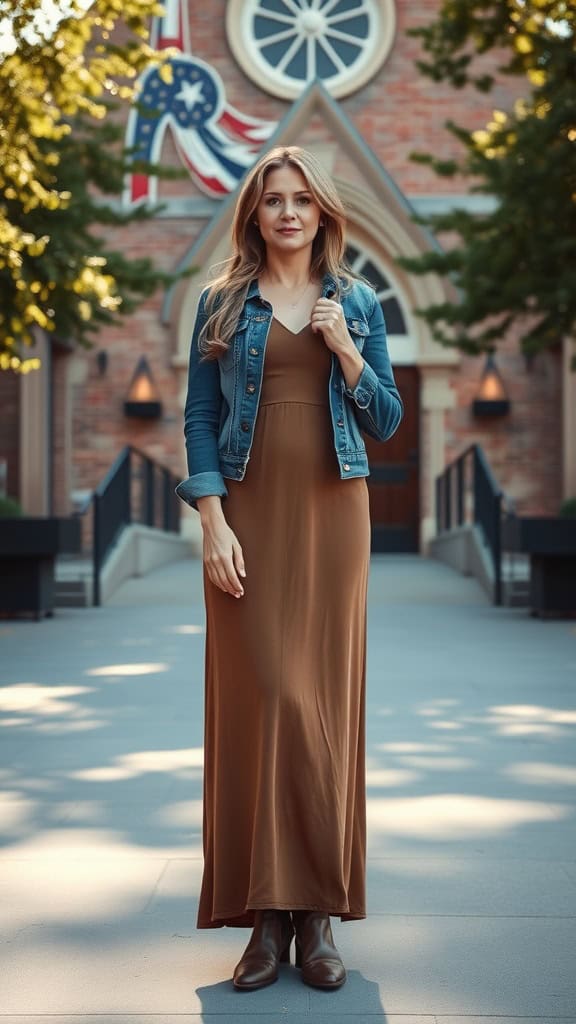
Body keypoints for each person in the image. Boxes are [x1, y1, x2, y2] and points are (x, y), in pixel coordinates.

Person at [175, 145, 403, 991]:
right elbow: (201, 418)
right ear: (255, 214)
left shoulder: (360, 302)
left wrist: (347, 352)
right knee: (264, 698)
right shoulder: (222, 302)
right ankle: (262, 918)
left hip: (333, 515)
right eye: (274, 200)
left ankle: (317, 920)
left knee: (320, 706)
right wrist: (212, 520)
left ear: (324, 212)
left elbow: (385, 419)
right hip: (248, 516)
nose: (288, 214)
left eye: (303, 200)